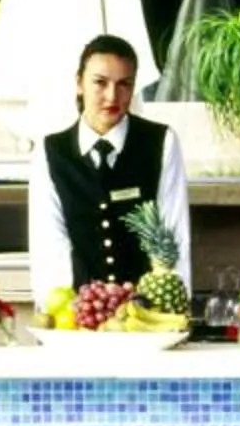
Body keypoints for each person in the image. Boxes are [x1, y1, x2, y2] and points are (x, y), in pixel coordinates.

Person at [31, 33, 191, 301]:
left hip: (145, 312)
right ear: (79, 83)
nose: (112, 96)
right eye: (100, 83)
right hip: (80, 313)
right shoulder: (51, 152)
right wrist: (61, 315)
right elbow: (49, 246)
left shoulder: (161, 142)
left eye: (124, 84)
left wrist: (172, 310)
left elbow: (174, 234)